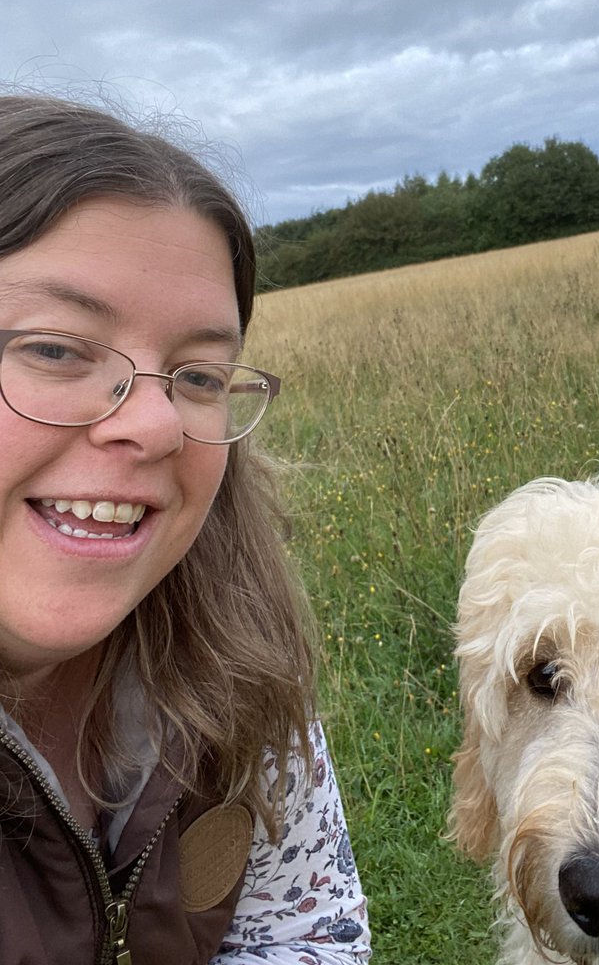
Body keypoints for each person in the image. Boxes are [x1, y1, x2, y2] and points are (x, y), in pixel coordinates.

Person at [0, 94, 370, 963]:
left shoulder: (233, 655)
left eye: (199, 374)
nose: (161, 424)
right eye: (57, 348)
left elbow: (305, 929)